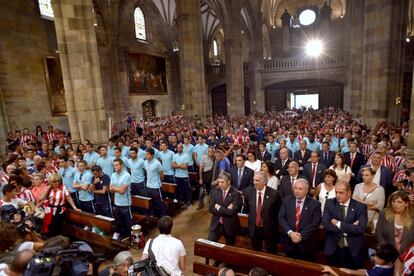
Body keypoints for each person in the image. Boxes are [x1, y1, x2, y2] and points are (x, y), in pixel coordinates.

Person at [322, 181, 368, 269]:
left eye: (341, 192)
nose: (338, 195)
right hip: (333, 248)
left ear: (349, 193)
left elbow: (361, 228)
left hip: (353, 250)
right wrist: (349, 227)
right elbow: (326, 224)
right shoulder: (330, 203)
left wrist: (338, 224)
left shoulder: (360, 207)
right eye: (336, 192)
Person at [278, 178, 321, 261]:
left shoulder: (315, 204)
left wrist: (299, 235)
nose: (297, 191)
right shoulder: (286, 200)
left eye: (300, 189)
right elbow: (281, 217)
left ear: (306, 191)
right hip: (289, 241)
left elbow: (315, 223)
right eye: (295, 188)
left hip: (306, 244)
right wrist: (291, 233)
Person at [243, 172, 280, 254]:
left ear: (264, 182)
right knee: (255, 251)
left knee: (271, 252)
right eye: (254, 180)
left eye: (257, 180)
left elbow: (277, 212)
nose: (255, 182)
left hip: (269, 229)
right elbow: (248, 208)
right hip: (254, 227)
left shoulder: (274, 194)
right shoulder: (249, 192)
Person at [322, 243, 399, 276]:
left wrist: (330, 269)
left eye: (378, 257)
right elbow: (364, 271)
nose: (375, 258)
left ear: (385, 260)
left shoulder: (379, 272)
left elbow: (349, 272)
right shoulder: (390, 263)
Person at [208, 172, 242, 245]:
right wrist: (226, 209)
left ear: (228, 182)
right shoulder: (216, 191)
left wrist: (218, 207)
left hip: (230, 226)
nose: (220, 184)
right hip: (216, 225)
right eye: (219, 182)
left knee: (230, 249)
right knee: (209, 245)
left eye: (222, 182)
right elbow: (210, 208)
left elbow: (232, 212)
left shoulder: (236, 193)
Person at [352, 167, 385, 233]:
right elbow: (354, 203)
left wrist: (360, 201)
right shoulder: (358, 186)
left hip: (372, 220)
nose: (364, 177)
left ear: (373, 176)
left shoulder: (380, 189)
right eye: (363, 175)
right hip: (358, 218)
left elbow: (379, 206)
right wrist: (369, 204)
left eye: (367, 175)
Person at [109, 159, 133, 240]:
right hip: (117, 202)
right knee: (119, 221)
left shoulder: (127, 175)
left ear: (121, 165)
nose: (114, 167)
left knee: (128, 222)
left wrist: (115, 188)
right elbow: (110, 189)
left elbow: (122, 191)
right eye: (114, 165)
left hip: (125, 203)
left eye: (116, 165)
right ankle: (123, 235)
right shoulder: (113, 175)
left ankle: (132, 237)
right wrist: (117, 189)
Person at [144, 148, 166, 217]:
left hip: (156, 186)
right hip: (148, 185)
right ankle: (153, 214)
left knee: (159, 202)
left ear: (152, 155)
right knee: (151, 202)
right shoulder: (145, 162)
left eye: (147, 154)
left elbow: (162, 174)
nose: (146, 156)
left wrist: (159, 182)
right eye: (146, 154)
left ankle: (163, 216)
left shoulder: (157, 163)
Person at [172, 143, 192, 207]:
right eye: (177, 148)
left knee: (186, 190)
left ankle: (189, 202)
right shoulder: (175, 155)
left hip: (184, 176)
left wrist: (177, 165)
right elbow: (173, 165)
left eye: (180, 148)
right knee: (178, 189)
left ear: (182, 148)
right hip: (177, 176)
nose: (178, 149)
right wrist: (180, 165)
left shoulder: (186, 155)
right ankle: (182, 201)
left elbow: (185, 167)